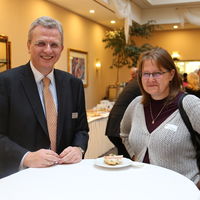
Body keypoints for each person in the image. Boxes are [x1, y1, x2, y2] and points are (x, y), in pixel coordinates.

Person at [0, 16, 89, 178]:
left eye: (54, 44)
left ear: (61, 48)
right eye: (41, 43)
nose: (48, 50)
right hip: (20, 178)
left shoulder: (73, 84)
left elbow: (81, 129)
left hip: (65, 175)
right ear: (29, 45)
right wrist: (27, 157)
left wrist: (78, 148)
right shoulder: (5, 83)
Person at [120, 47, 200, 188]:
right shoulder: (136, 104)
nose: (150, 79)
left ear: (171, 74)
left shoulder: (189, 104)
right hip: (143, 187)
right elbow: (124, 133)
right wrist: (135, 156)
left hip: (181, 191)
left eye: (157, 73)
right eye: (146, 74)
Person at [105, 67, 141, 158]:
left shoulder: (133, 83)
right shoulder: (139, 84)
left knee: (124, 156)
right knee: (126, 158)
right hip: (118, 126)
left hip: (114, 125)